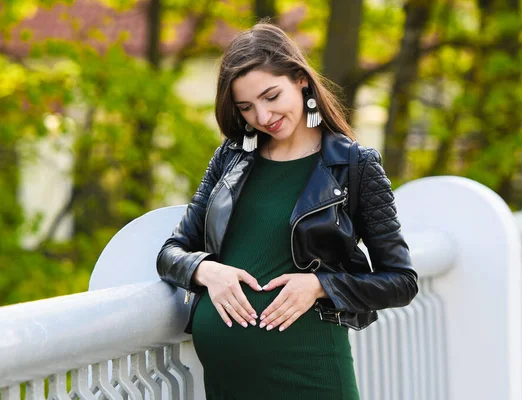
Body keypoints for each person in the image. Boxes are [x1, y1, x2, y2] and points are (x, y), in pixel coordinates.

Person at [157, 22, 418, 400]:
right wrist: (206, 270)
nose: (262, 116)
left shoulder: (354, 166)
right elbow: (171, 252)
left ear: (301, 81)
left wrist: (319, 285)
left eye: (271, 96)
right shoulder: (230, 160)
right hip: (229, 382)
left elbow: (401, 281)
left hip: (312, 373)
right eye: (246, 107)